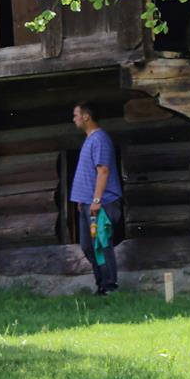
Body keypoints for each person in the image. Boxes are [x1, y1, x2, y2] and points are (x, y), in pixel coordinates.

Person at [71, 101, 123, 295]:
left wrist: (96, 200)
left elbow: (103, 171)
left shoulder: (99, 139)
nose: (74, 119)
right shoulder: (89, 139)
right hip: (87, 203)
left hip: (102, 203)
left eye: (76, 115)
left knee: (101, 244)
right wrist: (81, 199)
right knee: (88, 246)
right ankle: (101, 284)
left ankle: (110, 286)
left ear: (86, 116)